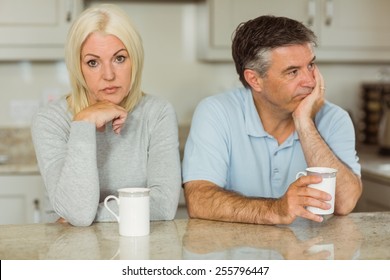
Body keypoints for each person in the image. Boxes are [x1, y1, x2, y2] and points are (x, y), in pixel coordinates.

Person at [182, 15, 362, 225]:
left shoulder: (334, 118)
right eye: (293, 72)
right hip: (238, 253)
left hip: (311, 253)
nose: (310, 81)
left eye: (310, 65)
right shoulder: (216, 112)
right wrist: (276, 210)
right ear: (254, 79)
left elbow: (345, 202)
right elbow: (199, 200)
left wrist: (305, 123)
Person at [31, 4, 181, 226]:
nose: (109, 75)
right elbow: (77, 214)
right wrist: (83, 123)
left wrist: (90, 214)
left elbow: (164, 205)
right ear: (78, 68)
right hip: (70, 250)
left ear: (135, 60)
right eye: (93, 62)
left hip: (138, 246)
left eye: (119, 58)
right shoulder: (50, 121)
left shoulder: (157, 113)